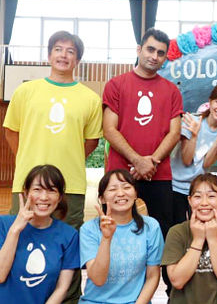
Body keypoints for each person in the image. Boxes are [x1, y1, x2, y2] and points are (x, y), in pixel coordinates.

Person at [102, 27, 182, 293]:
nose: (154, 56)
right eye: (150, 49)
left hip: (159, 174)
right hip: (120, 176)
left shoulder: (171, 90)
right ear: (139, 50)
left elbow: (174, 132)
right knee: (112, 229)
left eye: (161, 53)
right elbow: (109, 129)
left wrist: (152, 162)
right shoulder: (116, 85)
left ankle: (173, 291)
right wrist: (137, 160)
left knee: (166, 232)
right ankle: (112, 288)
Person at [3, 30, 102, 229]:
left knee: (68, 238)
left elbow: (92, 141)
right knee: (21, 235)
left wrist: (68, 157)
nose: (63, 55)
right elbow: (11, 132)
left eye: (70, 51)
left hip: (70, 184)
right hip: (28, 181)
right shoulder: (25, 91)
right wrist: (26, 157)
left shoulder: (91, 98)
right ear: (49, 56)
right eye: (58, 49)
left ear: (77, 60)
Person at [79, 169, 164, 304]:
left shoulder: (151, 227)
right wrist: (106, 239)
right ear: (102, 198)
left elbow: (153, 276)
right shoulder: (89, 229)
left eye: (126, 187)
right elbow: (98, 279)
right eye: (112, 189)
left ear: (136, 193)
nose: (120, 193)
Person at [162, 173, 217, 304]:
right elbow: (177, 281)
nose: (204, 203)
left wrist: (212, 239)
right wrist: (198, 240)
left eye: (211, 196)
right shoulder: (176, 232)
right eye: (197, 196)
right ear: (189, 201)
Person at [0, 165, 79, 304]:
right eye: (37, 189)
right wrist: (15, 231)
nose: (44, 197)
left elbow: (62, 288)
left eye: (51, 191)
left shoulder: (69, 235)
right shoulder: (4, 224)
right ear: (26, 193)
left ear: (60, 197)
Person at [171, 83, 217, 224]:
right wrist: (194, 135)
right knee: (175, 232)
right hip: (175, 187)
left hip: (198, 191)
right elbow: (186, 159)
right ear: (210, 101)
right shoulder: (192, 121)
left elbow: (206, 164)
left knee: (199, 231)